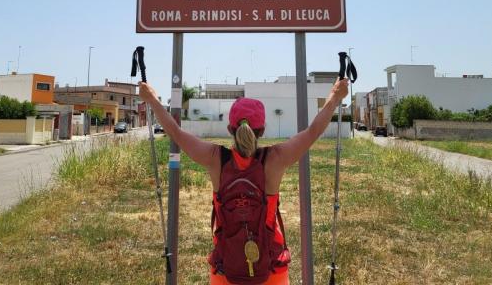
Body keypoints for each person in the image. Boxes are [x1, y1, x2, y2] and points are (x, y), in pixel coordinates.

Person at [139, 78, 349, 285]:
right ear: (262, 130)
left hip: (226, 266)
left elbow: (175, 132)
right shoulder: (275, 159)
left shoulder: (215, 158)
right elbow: (313, 132)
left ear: (230, 129)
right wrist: (334, 97)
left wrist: (152, 99)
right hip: (271, 267)